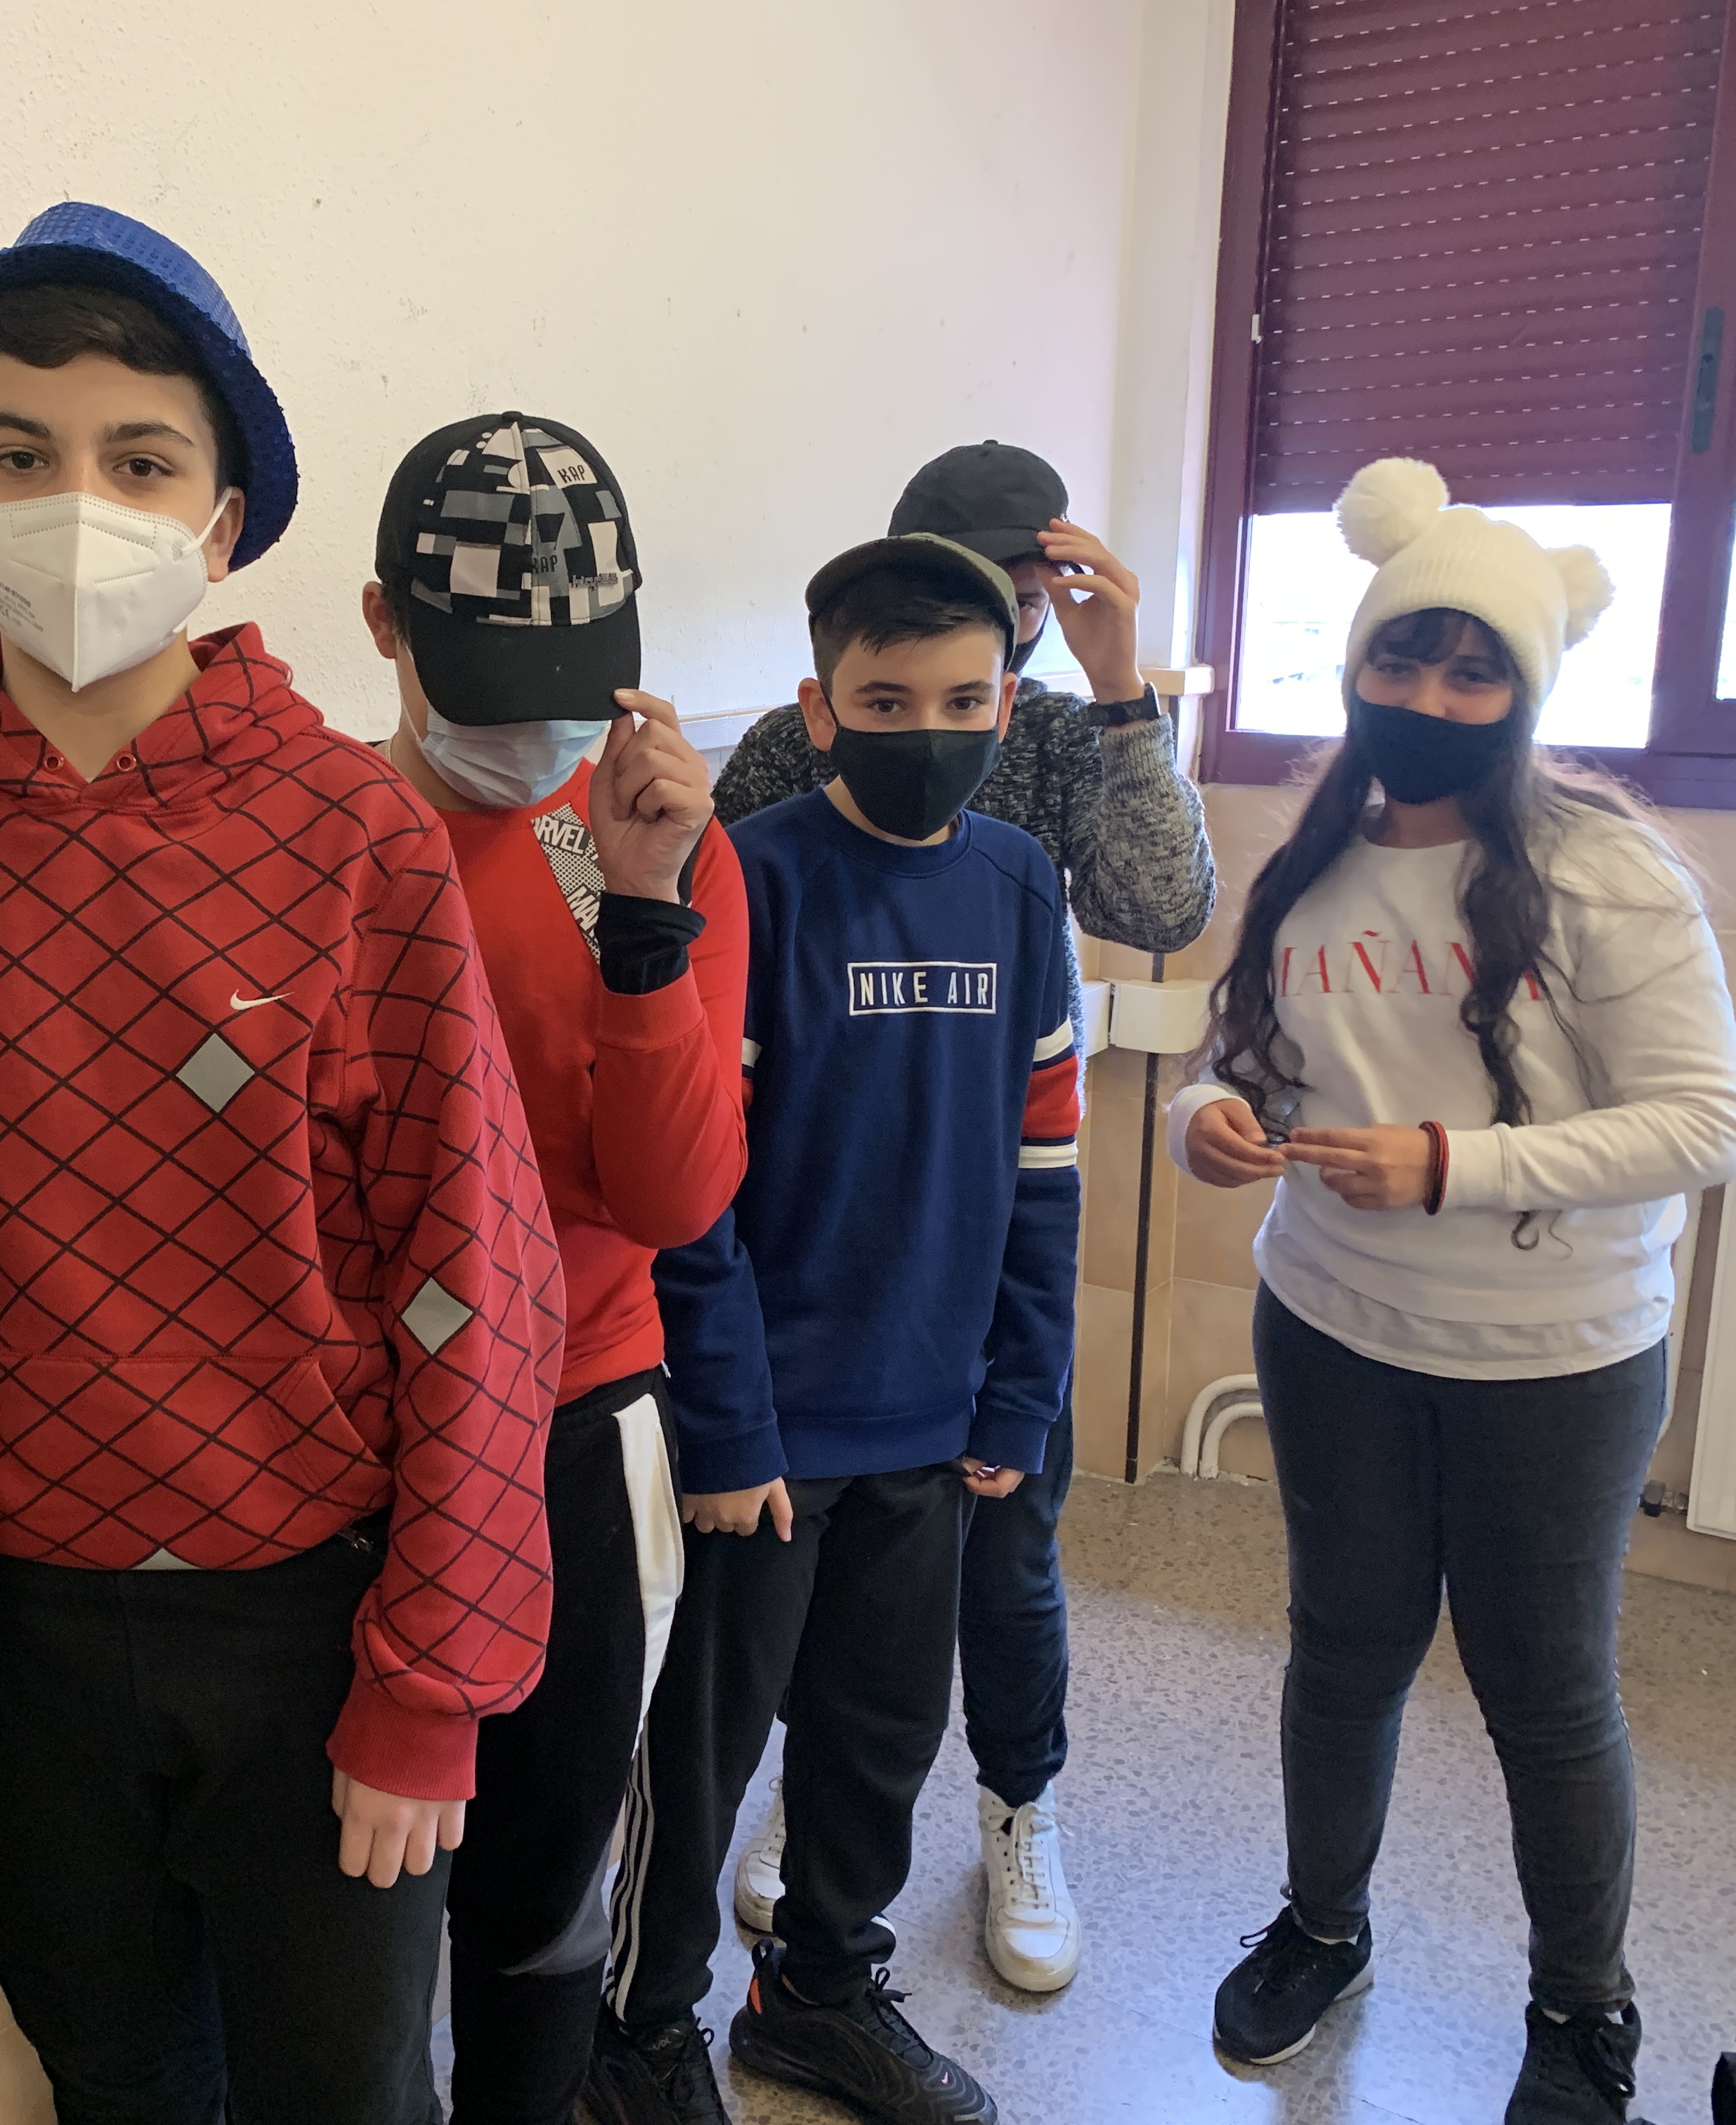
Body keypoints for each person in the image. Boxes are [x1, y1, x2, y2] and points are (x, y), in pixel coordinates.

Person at [0, 209, 563, 2125]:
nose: (76, 504)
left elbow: (476, 1261)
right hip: (2, 1628)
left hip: (312, 1616)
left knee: (347, 2091)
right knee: (119, 2082)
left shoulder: (352, 834)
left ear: (221, 526)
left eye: (140, 463)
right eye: (18, 452)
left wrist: (434, 1675)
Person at [1170, 458, 1736, 2125]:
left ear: (1525, 694)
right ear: (1355, 663)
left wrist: (1452, 1164)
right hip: (1332, 1332)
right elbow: (1240, 1066)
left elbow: (1708, 1125)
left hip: (1555, 1360)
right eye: (1402, 657)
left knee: (1546, 1695)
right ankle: (1322, 1928)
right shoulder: (1311, 863)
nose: (1428, 697)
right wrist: (1203, 1119)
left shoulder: (1605, 873)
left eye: (1474, 670)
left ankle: (1581, 2009)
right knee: (1342, 1653)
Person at [592, 533, 1081, 2125]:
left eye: (963, 700)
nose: (927, 729)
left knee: (880, 1741)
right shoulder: (752, 876)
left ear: (1006, 703)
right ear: (819, 709)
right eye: (886, 700)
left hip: (935, 1422)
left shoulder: (1021, 887)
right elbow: (692, 1197)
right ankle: (638, 2032)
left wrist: (1019, 1396)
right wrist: (730, 1424)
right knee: (704, 1753)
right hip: (769, 1439)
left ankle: (816, 1995)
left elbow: (1047, 1169)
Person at [719, 442, 1210, 1992]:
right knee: (817, 1611)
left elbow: (1164, 906)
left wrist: (1124, 691)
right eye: (980, 583)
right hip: (818, 1266)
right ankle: (809, 1798)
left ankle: (1021, 1807)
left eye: (1029, 599)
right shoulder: (794, 745)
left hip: (983, 1245)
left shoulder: (1055, 735)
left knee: (1007, 1561)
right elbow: (708, 942)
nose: (1005, 620)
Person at [361, 414, 745, 2124]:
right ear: (385, 625)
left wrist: (649, 916)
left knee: (537, 1896)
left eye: (567, 691)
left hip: (580, 1409)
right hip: (353, 1427)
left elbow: (673, 1197)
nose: (533, 737)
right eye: (494, 691)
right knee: (355, 1902)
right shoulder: (322, 832)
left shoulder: (627, 840)